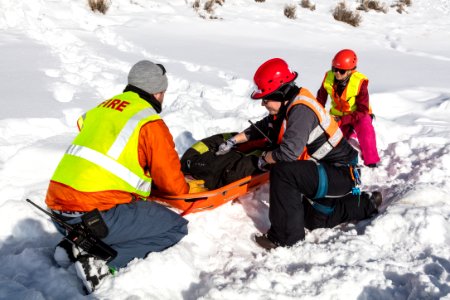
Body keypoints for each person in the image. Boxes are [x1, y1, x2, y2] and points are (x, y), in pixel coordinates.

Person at [45, 60, 203, 293]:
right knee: (174, 228)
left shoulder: (102, 108)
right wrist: (190, 187)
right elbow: (172, 185)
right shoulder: (149, 122)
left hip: (58, 213)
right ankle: (100, 262)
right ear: (158, 92)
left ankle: (72, 246)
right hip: (95, 219)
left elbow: (96, 139)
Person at [216, 58, 382, 249]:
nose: (263, 103)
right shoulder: (290, 103)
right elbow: (264, 127)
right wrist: (233, 141)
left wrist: (264, 159)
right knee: (313, 220)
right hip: (332, 171)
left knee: (283, 172)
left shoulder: (301, 110)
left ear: (280, 93)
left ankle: (286, 238)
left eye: (266, 98)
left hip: (342, 173)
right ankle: (366, 203)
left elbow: (288, 153)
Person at [316, 49, 380, 167]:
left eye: (341, 71)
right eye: (334, 69)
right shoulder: (328, 77)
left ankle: (371, 160)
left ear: (351, 70)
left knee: (366, 130)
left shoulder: (360, 82)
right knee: (334, 140)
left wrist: (343, 120)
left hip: (358, 115)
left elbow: (363, 110)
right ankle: (349, 133)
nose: (337, 73)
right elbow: (320, 100)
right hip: (338, 116)